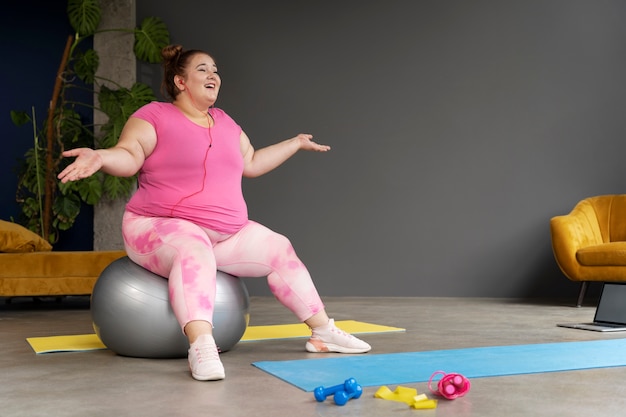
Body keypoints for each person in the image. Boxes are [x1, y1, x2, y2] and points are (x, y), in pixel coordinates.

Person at [58, 44, 371, 381]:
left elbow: (251, 162)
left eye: (215, 70)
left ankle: (322, 331)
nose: (213, 75)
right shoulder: (154, 116)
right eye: (203, 69)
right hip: (156, 228)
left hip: (224, 234)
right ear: (180, 81)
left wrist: (294, 143)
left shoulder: (224, 122)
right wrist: (102, 157)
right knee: (193, 245)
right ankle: (202, 346)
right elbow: (129, 154)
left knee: (278, 246)